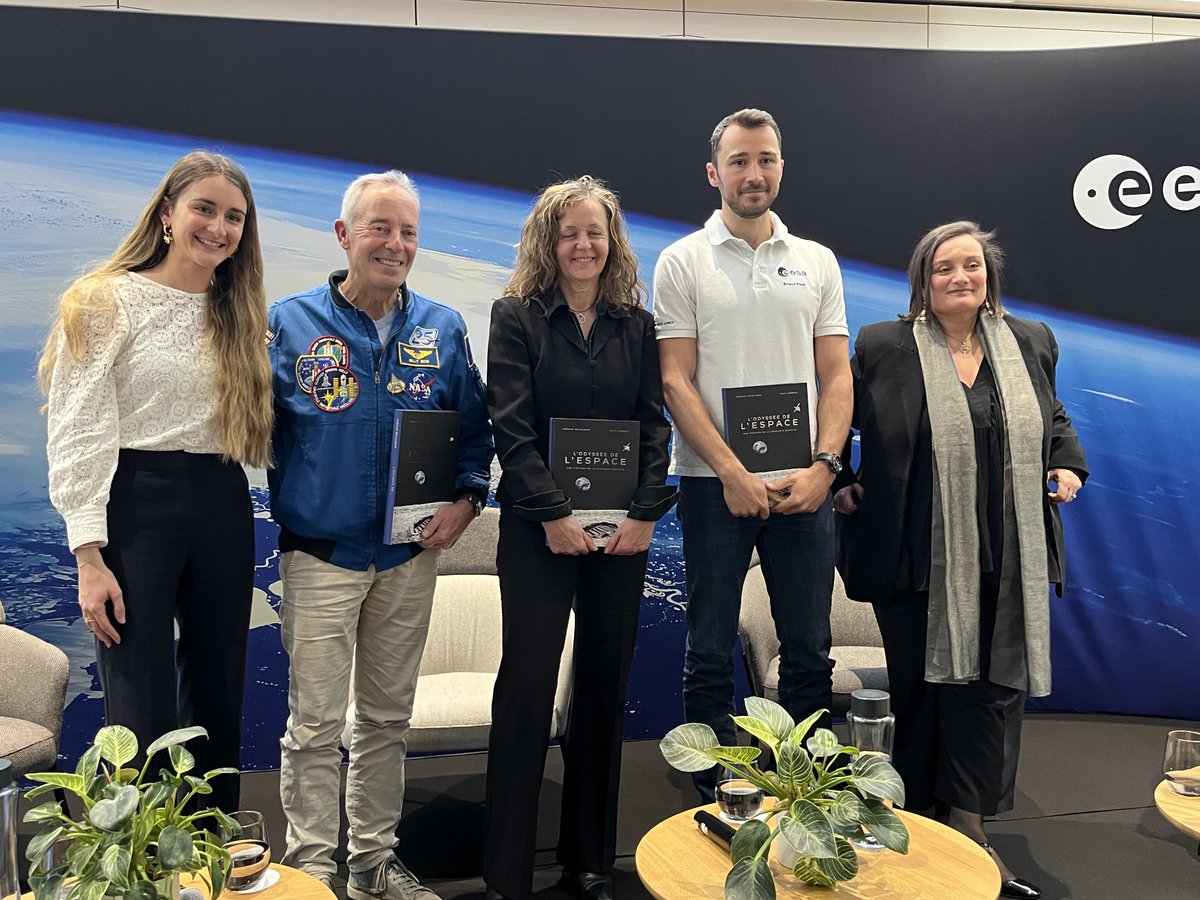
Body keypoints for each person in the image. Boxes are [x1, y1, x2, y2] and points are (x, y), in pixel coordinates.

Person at [833, 221, 1088, 900]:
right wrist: (839, 480)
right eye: (943, 268)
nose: (959, 279)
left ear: (988, 275)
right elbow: (839, 420)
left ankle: (972, 834)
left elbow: (1053, 417)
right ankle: (914, 829)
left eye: (970, 266)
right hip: (915, 556)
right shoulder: (883, 346)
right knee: (920, 690)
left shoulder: (1030, 340)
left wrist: (1066, 464)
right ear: (923, 279)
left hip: (1009, 555)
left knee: (991, 694)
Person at [267, 170, 493, 900]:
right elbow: (244, 425)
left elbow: (474, 432)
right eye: (379, 228)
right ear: (344, 235)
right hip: (320, 558)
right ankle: (309, 871)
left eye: (407, 232)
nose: (395, 244)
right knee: (314, 727)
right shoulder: (288, 325)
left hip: (407, 557)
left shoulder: (443, 328)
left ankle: (370, 864)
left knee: (386, 722)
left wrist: (466, 501)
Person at [41, 151, 273, 815]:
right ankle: (139, 869)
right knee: (138, 701)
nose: (218, 227)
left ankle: (210, 854)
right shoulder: (104, 300)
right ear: (168, 214)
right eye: (204, 208)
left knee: (217, 692)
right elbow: (78, 428)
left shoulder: (240, 313)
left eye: (234, 217)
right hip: (135, 499)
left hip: (222, 499)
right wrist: (89, 557)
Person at [483, 176, 675, 900]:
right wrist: (554, 515)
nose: (583, 244)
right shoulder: (516, 317)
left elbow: (656, 426)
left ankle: (590, 859)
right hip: (540, 535)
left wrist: (647, 513)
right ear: (548, 242)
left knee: (602, 688)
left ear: (611, 242)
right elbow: (512, 424)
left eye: (595, 232)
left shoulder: (638, 326)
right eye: (569, 233)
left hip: (622, 540)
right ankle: (506, 871)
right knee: (528, 689)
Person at [653, 108, 853, 800]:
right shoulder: (683, 261)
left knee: (808, 653)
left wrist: (825, 467)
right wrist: (733, 472)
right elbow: (674, 378)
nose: (753, 173)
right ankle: (708, 793)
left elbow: (837, 376)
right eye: (738, 161)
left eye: (765, 159)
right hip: (715, 486)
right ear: (715, 173)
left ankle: (802, 792)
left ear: (781, 168)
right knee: (708, 650)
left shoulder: (818, 262)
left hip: (805, 485)